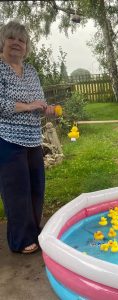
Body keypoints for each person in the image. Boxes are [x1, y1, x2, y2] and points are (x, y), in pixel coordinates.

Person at [0, 21, 55, 254]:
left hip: (33, 138)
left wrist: (45, 108)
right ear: (3, 42)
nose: (16, 43)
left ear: (26, 47)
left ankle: (33, 231)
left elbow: (38, 100)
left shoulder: (31, 71)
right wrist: (27, 105)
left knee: (35, 188)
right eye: (11, 38)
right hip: (8, 139)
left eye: (21, 40)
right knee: (16, 191)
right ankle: (20, 239)